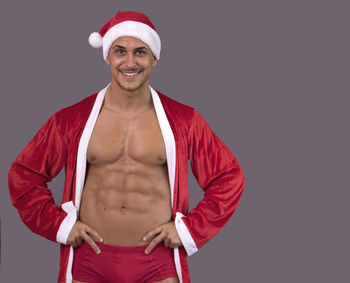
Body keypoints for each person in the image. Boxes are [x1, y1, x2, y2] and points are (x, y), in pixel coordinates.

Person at [8, 10, 246, 283]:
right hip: (89, 258)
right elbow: (23, 175)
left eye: (140, 52)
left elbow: (229, 177)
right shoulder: (71, 119)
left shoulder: (184, 120)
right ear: (108, 56)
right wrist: (60, 226)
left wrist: (189, 229)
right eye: (120, 51)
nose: (130, 62)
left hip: (157, 261)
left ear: (154, 58)